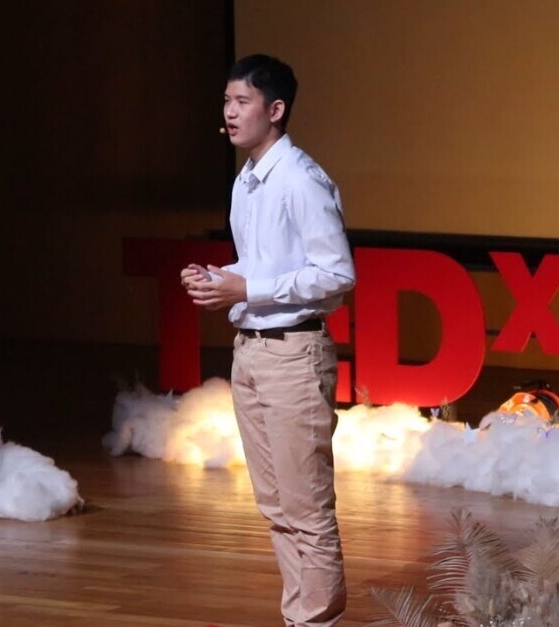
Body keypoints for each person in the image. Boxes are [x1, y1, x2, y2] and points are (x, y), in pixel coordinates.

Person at [180, 54, 355, 627]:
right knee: (275, 505)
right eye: (226, 101)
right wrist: (219, 278)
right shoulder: (247, 181)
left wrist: (247, 287)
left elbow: (336, 274)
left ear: (275, 110)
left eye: (242, 102)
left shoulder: (300, 180)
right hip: (252, 351)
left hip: (294, 353)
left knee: (306, 505)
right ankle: (298, 616)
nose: (229, 113)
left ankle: (316, 620)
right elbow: (261, 266)